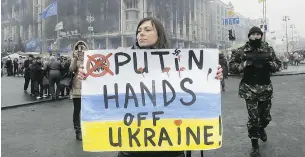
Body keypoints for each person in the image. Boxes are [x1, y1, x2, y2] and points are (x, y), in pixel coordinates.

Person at [77, 17, 223, 157]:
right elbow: (106, 88)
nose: (141, 33)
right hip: (132, 147)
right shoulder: (121, 62)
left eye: (147, 30)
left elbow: (195, 91)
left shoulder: (176, 61)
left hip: (170, 146)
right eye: (139, 30)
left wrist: (211, 76)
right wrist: (88, 76)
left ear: (159, 34)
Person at [229, 26, 281, 157]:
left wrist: (271, 65)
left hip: (265, 89)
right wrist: (243, 65)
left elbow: (278, 64)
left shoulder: (268, 49)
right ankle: (254, 145)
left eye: (258, 34)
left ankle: (262, 128)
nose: (256, 37)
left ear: (261, 36)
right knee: (253, 119)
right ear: (249, 36)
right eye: (253, 34)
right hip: (249, 89)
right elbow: (231, 66)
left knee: (265, 117)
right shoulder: (241, 51)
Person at [69, 40, 89, 141]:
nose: (81, 49)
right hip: (77, 87)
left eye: (83, 47)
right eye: (78, 47)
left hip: (89, 87)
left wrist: (86, 57)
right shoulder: (74, 58)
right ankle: (78, 131)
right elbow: (71, 69)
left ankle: (88, 130)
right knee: (77, 110)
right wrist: (76, 58)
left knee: (88, 110)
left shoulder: (90, 57)